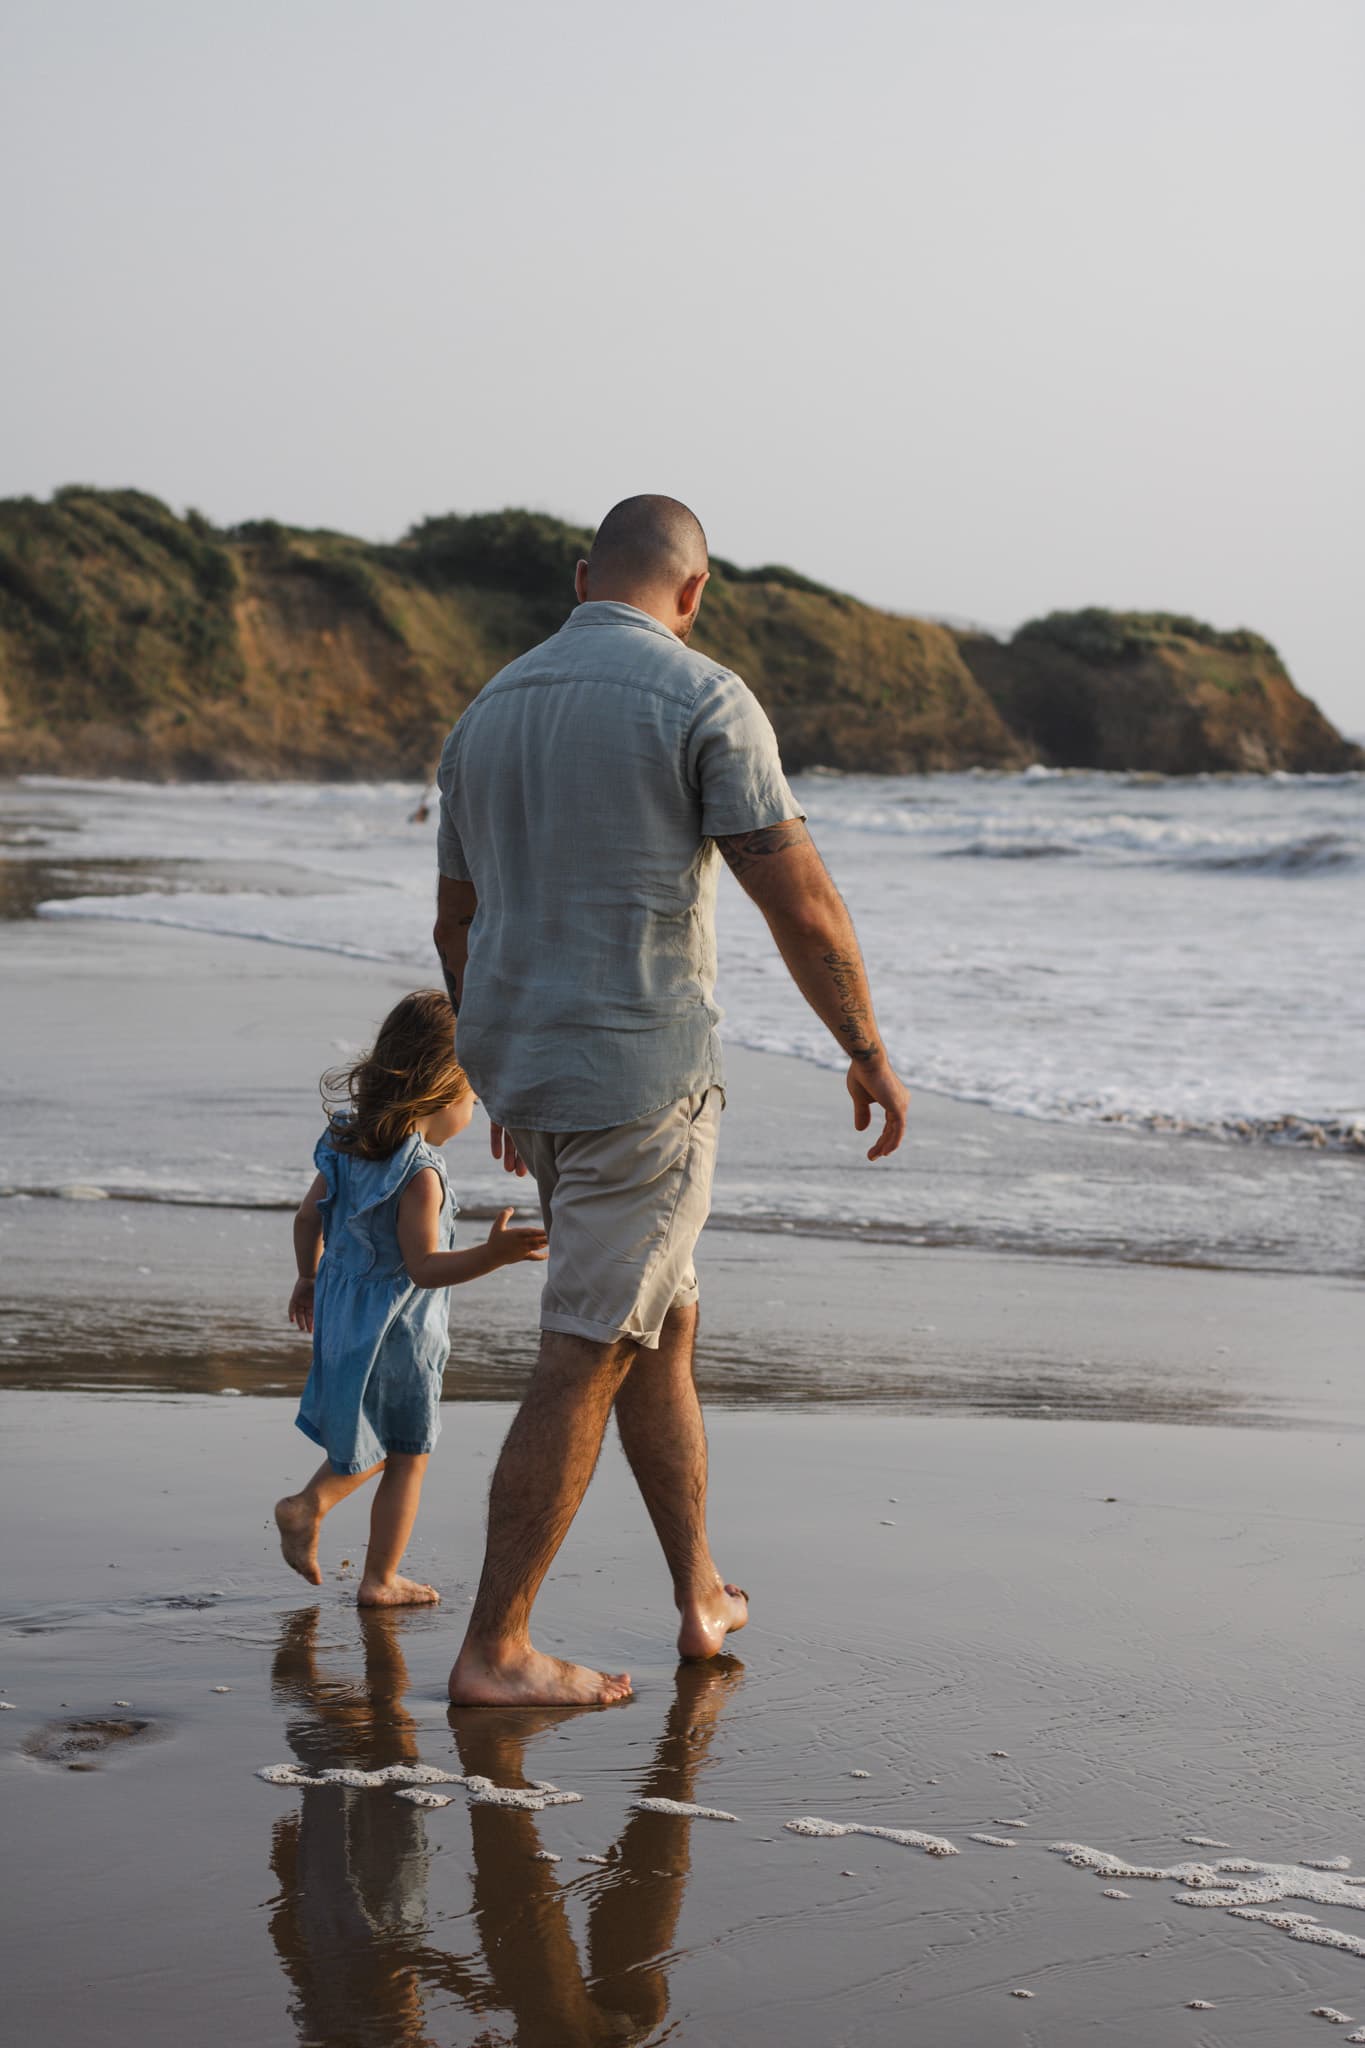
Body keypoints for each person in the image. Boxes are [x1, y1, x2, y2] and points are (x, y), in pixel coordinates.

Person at [434, 494, 909, 1704]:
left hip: (535, 1073)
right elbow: (801, 903)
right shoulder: (703, 696)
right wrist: (863, 1044)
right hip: (643, 1085)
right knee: (588, 1347)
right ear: (694, 591)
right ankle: (498, 1646)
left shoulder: (488, 711)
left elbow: (458, 923)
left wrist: (499, 1061)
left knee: (663, 1326)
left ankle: (698, 1591)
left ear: (583, 576)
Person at [274, 989, 548, 1606]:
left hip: (341, 1310)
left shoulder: (346, 1140)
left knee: (375, 1439)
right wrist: (494, 1254)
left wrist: (307, 1278)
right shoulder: (420, 1173)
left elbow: (307, 1218)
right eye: (473, 1098)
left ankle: (352, 1549)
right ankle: (341, 1539)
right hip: (396, 1332)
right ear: (443, 1089)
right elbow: (423, 1269)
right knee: (405, 1450)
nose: (474, 1110)